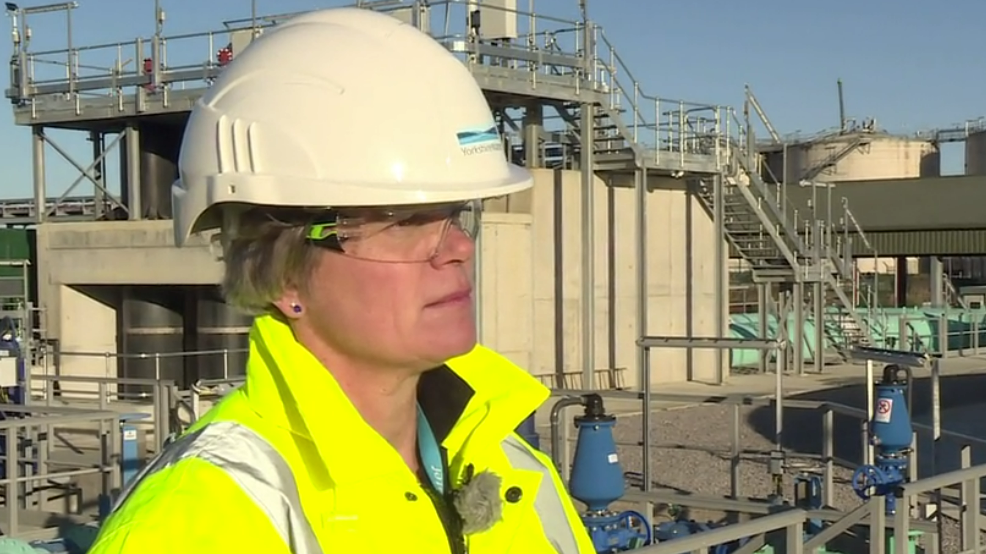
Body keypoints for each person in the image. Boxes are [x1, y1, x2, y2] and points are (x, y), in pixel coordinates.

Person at [87, 7, 595, 554]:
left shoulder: (506, 462)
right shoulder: (198, 519)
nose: (460, 248)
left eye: (456, 214)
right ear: (283, 276)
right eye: (403, 223)